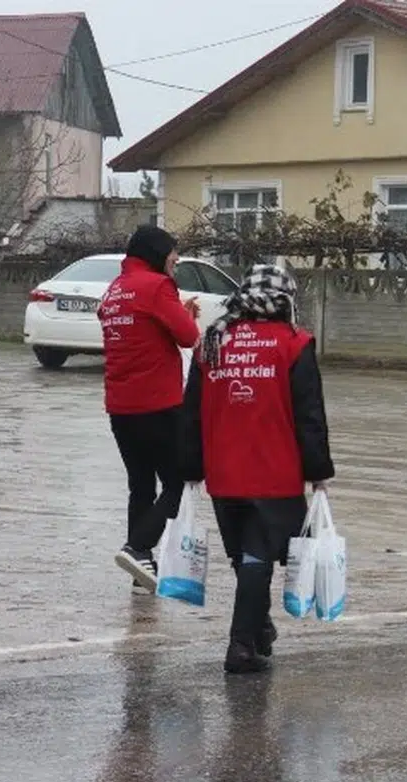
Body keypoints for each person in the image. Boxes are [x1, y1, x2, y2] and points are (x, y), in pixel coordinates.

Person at [180, 263, 334, 674]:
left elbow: (191, 413)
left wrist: (191, 468)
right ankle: (241, 646)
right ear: (285, 301)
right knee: (256, 558)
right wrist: (319, 472)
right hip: (274, 475)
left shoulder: (212, 343)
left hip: (224, 476)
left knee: (247, 558)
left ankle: (259, 629)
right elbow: (309, 417)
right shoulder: (294, 344)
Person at [97, 225, 202, 591]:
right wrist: (184, 314)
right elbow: (189, 337)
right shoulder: (157, 286)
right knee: (180, 482)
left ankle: (141, 570)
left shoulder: (114, 290)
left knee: (140, 486)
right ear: (158, 252)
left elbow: (143, 329)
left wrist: (177, 311)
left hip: (120, 407)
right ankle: (138, 546)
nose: (176, 259)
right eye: (173, 252)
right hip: (158, 405)